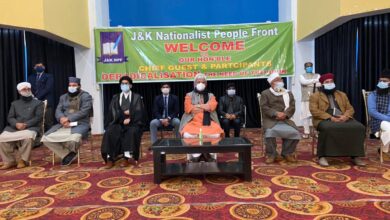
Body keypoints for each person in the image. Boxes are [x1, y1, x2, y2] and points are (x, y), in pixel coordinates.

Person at [309, 73, 366, 166]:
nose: (330, 83)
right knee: (328, 128)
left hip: (342, 117)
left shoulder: (342, 94)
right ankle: (322, 156)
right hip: (324, 118)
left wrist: (345, 116)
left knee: (359, 127)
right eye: (327, 82)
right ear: (322, 84)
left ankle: (355, 155)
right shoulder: (315, 96)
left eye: (331, 81)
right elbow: (314, 111)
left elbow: (350, 108)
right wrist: (330, 117)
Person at [42, 77, 93, 166]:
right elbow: (58, 110)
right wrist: (61, 118)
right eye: (70, 85)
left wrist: (69, 119)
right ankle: (67, 154)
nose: (71, 87)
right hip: (63, 124)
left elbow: (84, 111)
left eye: (74, 85)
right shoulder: (63, 97)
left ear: (79, 86)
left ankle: (68, 155)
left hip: (80, 123)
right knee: (45, 138)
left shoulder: (86, 96)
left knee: (73, 139)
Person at [101, 76, 146, 169]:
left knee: (131, 132)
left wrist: (131, 116)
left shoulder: (137, 97)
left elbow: (140, 111)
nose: (124, 85)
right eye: (122, 84)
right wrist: (122, 117)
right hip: (118, 121)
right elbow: (112, 111)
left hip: (133, 122)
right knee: (110, 132)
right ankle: (110, 158)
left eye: (126, 83)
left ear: (130, 85)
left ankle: (126, 157)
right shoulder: (116, 97)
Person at [179, 73, 224, 162]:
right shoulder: (189, 95)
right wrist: (204, 107)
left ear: (206, 84)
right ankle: (196, 154)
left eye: (203, 82)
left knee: (216, 134)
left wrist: (196, 106)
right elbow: (188, 108)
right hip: (192, 121)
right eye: (198, 82)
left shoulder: (211, 95)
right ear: (195, 83)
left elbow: (212, 106)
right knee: (187, 134)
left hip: (208, 122)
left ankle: (209, 153)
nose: (200, 84)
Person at [0, 82, 44, 169]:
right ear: (19, 91)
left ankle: (23, 160)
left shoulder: (38, 103)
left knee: (28, 138)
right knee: (2, 138)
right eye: (24, 89)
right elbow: (10, 117)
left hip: (31, 127)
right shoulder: (14, 103)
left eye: (28, 89)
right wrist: (16, 124)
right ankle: (9, 161)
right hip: (15, 127)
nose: (27, 91)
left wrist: (26, 124)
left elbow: (38, 117)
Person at [260, 72, 300, 164]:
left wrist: (285, 114)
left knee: (295, 132)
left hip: (285, 119)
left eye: (281, 79)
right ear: (271, 83)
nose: (280, 81)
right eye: (277, 80)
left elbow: (292, 107)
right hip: (271, 119)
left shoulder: (288, 93)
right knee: (270, 132)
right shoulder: (265, 93)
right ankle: (271, 154)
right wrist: (276, 113)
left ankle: (287, 152)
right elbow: (264, 107)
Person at [368, 69, 390, 155]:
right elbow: (372, 112)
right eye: (380, 80)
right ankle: (384, 150)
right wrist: (387, 118)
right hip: (377, 120)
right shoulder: (373, 95)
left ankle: (383, 149)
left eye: (385, 81)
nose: (382, 82)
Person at [27, 63, 54, 129]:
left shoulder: (49, 76)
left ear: (44, 67)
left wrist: (37, 97)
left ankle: (48, 137)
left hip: (46, 101)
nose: (39, 67)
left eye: (41, 66)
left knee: (48, 121)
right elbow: (29, 88)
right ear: (34, 68)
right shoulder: (30, 77)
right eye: (37, 66)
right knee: (36, 121)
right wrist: (32, 96)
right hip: (34, 103)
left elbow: (48, 88)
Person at [299, 62, 321, 138]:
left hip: (316, 98)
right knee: (305, 116)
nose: (309, 67)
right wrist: (314, 82)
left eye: (311, 66)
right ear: (305, 68)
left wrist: (308, 83)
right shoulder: (302, 76)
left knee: (316, 115)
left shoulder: (317, 75)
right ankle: (306, 132)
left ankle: (316, 131)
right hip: (306, 98)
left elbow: (319, 84)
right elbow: (303, 82)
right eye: (308, 66)